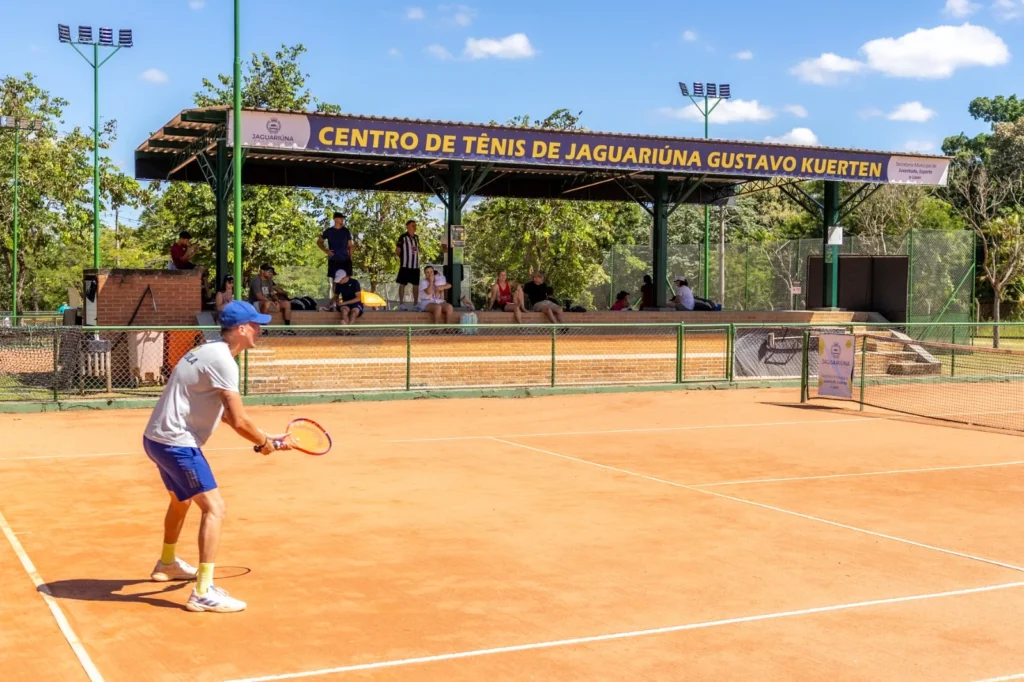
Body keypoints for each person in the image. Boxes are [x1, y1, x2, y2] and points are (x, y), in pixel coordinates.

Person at [142, 300, 292, 613]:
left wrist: (268, 437)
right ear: (241, 329)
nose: (260, 330)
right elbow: (238, 420)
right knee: (215, 509)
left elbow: (225, 417)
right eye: (255, 325)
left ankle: (167, 562)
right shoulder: (224, 361)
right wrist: (264, 443)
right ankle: (203, 591)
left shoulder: (209, 351)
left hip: (156, 439)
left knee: (180, 501)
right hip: (177, 444)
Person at [318, 212, 356, 290]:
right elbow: (319, 242)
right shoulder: (329, 231)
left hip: (345, 259)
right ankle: (336, 300)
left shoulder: (345, 231)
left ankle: (347, 299)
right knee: (336, 282)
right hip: (334, 260)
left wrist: (351, 257)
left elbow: (350, 245)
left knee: (347, 281)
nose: (343, 219)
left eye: (343, 218)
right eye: (341, 218)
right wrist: (326, 250)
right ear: (336, 219)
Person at [248, 264, 292, 328]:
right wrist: (271, 302)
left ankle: (287, 328)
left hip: (267, 303)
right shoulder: (256, 280)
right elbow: (259, 296)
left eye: (271, 272)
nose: (271, 273)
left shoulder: (269, 280)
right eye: (269, 271)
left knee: (287, 304)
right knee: (267, 303)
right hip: (255, 304)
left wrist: (276, 301)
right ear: (262, 271)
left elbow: (272, 294)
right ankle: (264, 328)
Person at [395, 220, 421, 310]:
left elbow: (417, 250)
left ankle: (415, 304)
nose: (415, 227)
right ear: (408, 226)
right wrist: (403, 259)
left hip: (415, 266)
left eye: (415, 225)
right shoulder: (402, 237)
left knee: (416, 285)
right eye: (413, 225)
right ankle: (402, 304)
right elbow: (397, 251)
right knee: (402, 284)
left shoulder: (417, 237)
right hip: (405, 265)